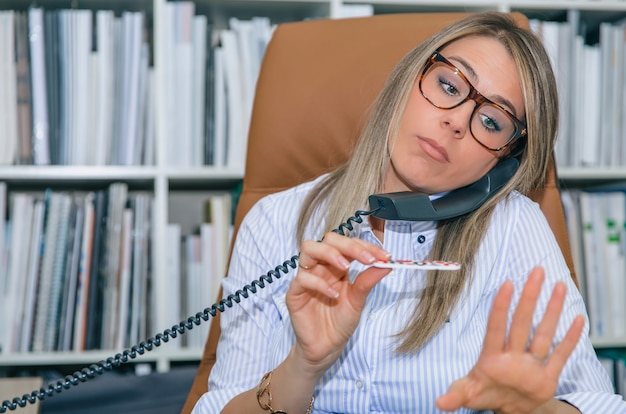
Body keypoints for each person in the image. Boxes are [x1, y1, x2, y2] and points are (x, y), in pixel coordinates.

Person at [192, 12, 626, 413]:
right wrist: (303, 367)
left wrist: (532, 409)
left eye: (493, 122)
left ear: (504, 161)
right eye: (450, 86)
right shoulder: (275, 220)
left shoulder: (513, 226)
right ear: (409, 77)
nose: (457, 122)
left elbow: (594, 399)